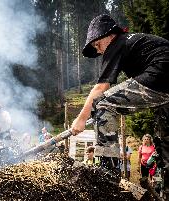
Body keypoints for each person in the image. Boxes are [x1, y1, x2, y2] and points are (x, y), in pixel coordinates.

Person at [71, 14, 169, 175]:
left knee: (103, 104)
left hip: (160, 74)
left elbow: (101, 88)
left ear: (110, 34)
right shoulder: (133, 43)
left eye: (98, 44)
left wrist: (81, 119)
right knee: (165, 141)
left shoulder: (117, 43)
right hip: (163, 83)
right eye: (96, 49)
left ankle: (108, 170)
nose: (100, 50)